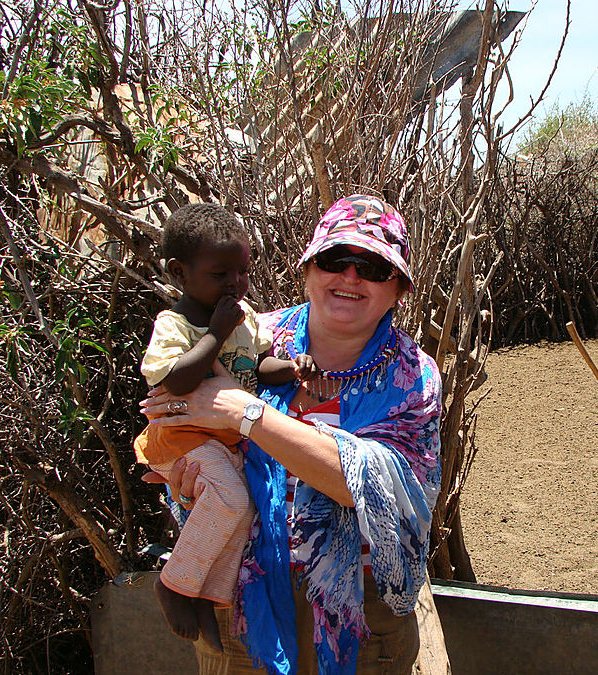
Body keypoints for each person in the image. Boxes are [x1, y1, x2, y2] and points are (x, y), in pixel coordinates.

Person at [140, 194, 442, 675]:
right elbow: (175, 411)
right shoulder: (254, 335)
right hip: (243, 599)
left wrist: (246, 413)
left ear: (398, 289)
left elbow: (373, 489)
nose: (350, 276)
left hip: (361, 617)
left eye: (373, 267)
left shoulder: (411, 376)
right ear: (308, 269)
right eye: (334, 259)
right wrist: (180, 466)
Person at [135, 203, 314, 651]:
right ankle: (174, 584)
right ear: (180, 272)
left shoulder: (244, 316)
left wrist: (291, 368)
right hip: (184, 435)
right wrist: (215, 331)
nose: (235, 283)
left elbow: (257, 367)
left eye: (242, 272)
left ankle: (206, 597)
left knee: (242, 512)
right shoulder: (174, 324)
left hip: (224, 439)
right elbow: (176, 380)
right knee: (233, 501)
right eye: (220, 274)